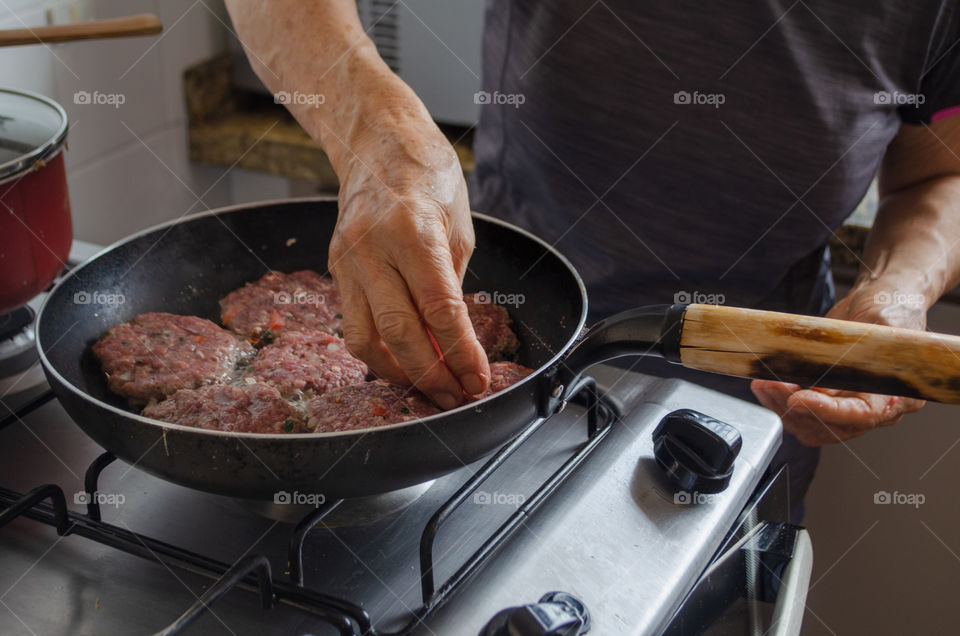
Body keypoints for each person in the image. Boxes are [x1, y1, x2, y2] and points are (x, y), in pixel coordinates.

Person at [225, 1, 960, 520]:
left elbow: (941, 170)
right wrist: (376, 132)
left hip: (755, 404)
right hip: (493, 380)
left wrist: (899, 287)